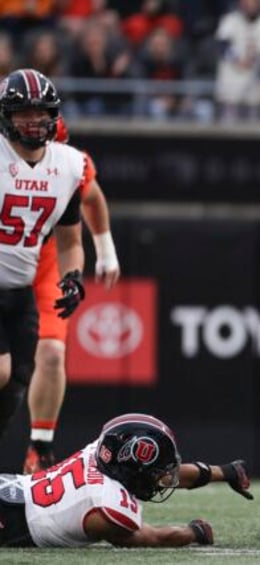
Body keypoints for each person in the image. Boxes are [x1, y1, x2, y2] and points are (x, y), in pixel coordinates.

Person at [24, 116, 121, 474]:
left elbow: (91, 198)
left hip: (46, 262)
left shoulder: (68, 164)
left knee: (51, 353)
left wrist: (105, 250)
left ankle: (40, 447)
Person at [0, 413, 253, 547]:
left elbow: (161, 474)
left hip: (10, 488)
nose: (163, 477)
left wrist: (225, 472)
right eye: (156, 471)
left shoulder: (100, 451)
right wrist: (196, 533)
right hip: (11, 524)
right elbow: (154, 538)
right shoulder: (107, 506)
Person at [0, 69, 86, 441]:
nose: (33, 121)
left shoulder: (67, 165)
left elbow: (69, 240)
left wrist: (73, 276)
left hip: (21, 290)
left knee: (16, 383)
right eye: (23, 114)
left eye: (41, 113)